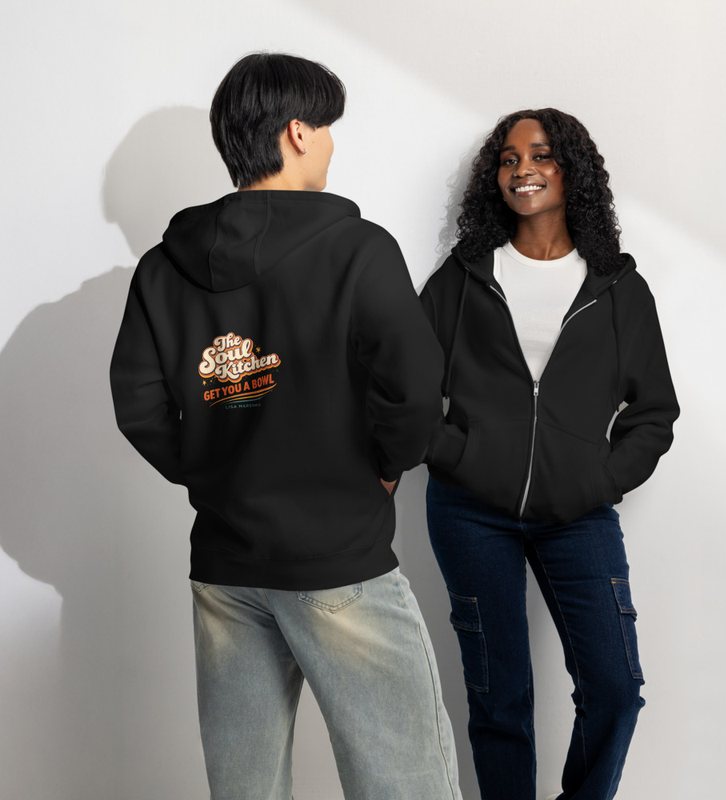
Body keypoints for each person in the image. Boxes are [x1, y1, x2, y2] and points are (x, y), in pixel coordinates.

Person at [110, 52, 461, 800]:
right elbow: (415, 388)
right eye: (327, 127)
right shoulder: (358, 250)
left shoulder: (161, 270)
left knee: (246, 787)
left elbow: (138, 406)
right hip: (338, 560)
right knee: (406, 783)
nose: (331, 143)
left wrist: (215, 473)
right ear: (298, 133)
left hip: (226, 566)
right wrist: (387, 465)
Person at [421, 109, 679, 799]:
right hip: (470, 513)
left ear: (572, 170)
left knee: (615, 689)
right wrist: (457, 455)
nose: (523, 170)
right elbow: (404, 390)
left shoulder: (617, 287)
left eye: (540, 155)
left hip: (578, 515)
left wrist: (599, 480)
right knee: (499, 698)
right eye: (508, 159)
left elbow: (654, 412)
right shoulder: (462, 278)